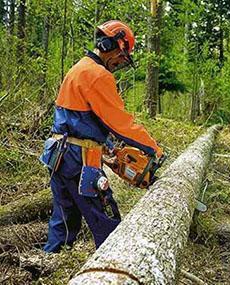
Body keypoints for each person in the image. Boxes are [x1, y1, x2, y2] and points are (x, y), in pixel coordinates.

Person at [40, 20, 163, 253]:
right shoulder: (98, 75)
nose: (119, 63)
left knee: (64, 220)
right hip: (79, 161)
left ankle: (49, 261)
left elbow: (80, 118)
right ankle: (114, 267)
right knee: (108, 222)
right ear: (112, 45)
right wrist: (153, 148)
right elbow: (121, 123)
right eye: (121, 55)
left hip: (59, 154)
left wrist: (105, 147)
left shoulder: (79, 67)